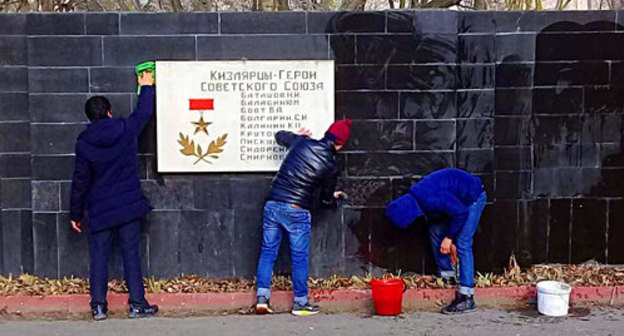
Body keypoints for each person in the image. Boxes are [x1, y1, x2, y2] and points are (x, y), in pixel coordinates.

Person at [69, 70, 158, 321]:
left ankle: (98, 306)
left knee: (99, 256)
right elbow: (143, 113)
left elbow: (80, 182)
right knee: (131, 254)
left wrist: (75, 214)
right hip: (128, 204)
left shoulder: (84, 143)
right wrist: (147, 85)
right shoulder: (126, 129)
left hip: (99, 208)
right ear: (109, 112)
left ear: (89, 117)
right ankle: (137, 304)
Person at [255, 119, 352, 316]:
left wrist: (298, 135)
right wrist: (333, 198)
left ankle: (262, 299)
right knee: (298, 258)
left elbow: (279, 136)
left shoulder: (302, 143)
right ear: (340, 144)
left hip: (273, 204)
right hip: (297, 210)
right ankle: (300, 303)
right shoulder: (330, 166)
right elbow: (325, 200)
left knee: (267, 253)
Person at [385, 168, 487, 314]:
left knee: (463, 243)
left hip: (473, 198)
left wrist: (449, 238)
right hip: (457, 200)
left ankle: (466, 297)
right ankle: (447, 276)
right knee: (435, 230)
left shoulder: (430, 199)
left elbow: (461, 213)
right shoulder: (416, 197)